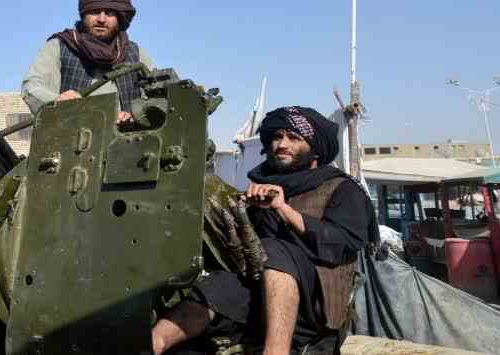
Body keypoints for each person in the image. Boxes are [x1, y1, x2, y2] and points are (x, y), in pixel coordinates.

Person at [152, 107, 377, 355]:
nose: (282, 144)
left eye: (294, 138)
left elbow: (342, 244)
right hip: (255, 295)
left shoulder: (342, 188)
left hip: (314, 305)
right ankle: (152, 344)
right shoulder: (260, 187)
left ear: (316, 150)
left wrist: (283, 209)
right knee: (216, 287)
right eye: (277, 137)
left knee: (274, 248)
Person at [21, 0, 158, 125]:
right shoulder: (60, 45)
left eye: (109, 13)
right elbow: (32, 87)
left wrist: (136, 114)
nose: (101, 19)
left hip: (128, 136)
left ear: (119, 18)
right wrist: (57, 101)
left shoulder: (135, 53)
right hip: (72, 132)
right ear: (84, 15)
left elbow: (158, 94)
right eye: (95, 12)